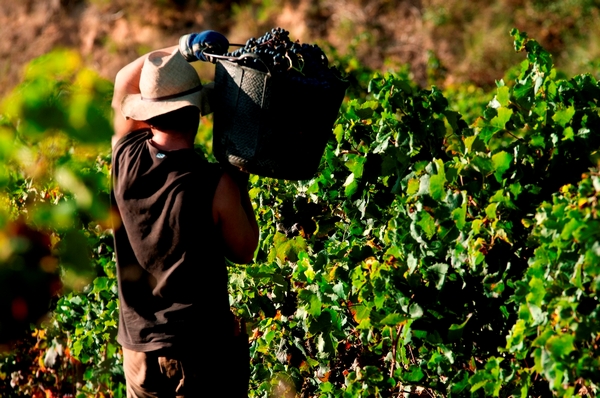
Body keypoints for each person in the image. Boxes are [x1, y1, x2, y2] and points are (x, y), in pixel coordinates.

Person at [110, 32, 259, 397]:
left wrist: (180, 49)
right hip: (198, 354)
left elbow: (122, 81)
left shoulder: (124, 156)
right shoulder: (215, 184)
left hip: (138, 352)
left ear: (146, 113)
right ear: (198, 114)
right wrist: (240, 182)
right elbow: (245, 250)